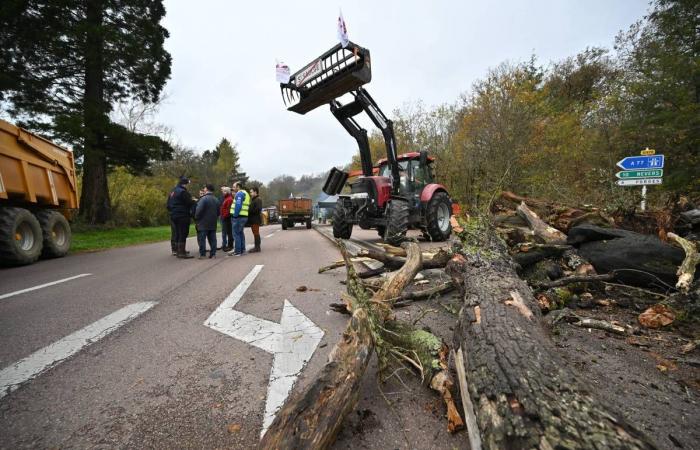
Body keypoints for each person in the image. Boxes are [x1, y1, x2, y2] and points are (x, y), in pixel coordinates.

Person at [166, 176, 196, 259]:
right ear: (185, 184)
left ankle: (179, 250)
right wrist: (194, 201)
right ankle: (182, 253)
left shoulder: (173, 192)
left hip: (173, 215)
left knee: (178, 233)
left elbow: (168, 205)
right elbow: (189, 203)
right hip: (182, 215)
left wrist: (173, 211)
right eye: (187, 184)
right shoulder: (183, 192)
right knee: (183, 233)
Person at [194, 184, 220, 259]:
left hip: (203, 222)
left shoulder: (203, 199)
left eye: (205, 188)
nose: (204, 189)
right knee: (212, 239)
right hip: (213, 222)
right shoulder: (216, 199)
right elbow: (218, 212)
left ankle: (202, 254)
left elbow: (198, 210)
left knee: (202, 239)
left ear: (207, 189)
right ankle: (213, 254)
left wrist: (196, 217)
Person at [228, 181, 250, 256]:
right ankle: (242, 249)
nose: (233, 189)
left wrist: (235, 215)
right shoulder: (246, 193)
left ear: (238, 187)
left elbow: (238, 205)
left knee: (236, 234)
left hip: (238, 217)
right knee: (240, 233)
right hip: (243, 216)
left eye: (234, 187)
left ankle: (238, 251)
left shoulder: (240, 193)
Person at [247, 187, 263, 252]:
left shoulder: (258, 199)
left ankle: (257, 247)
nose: (250, 193)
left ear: (255, 192)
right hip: (253, 219)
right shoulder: (254, 199)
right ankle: (256, 247)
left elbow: (258, 209)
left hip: (255, 219)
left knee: (256, 233)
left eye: (251, 192)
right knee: (255, 233)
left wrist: (249, 210)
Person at [220, 186, 233, 252]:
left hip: (227, 218)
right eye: (223, 191)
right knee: (227, 232)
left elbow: (228, 210)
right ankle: (227, 245)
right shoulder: (226, 198)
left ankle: (230, 246)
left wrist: (224, 216)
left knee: (229, 232)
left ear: (228, 192)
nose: (223, 192)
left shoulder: (229, 199)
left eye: (225, 191)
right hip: (225, 217)